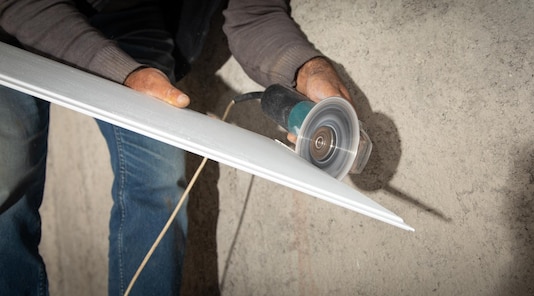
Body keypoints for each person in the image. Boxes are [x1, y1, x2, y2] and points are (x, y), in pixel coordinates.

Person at [0, 0, 353, 295]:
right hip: (20, 18)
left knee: (158, 175)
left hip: (130, 17)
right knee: (8, 178)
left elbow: (255, 13)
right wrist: (121, 73)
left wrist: (304, 67)